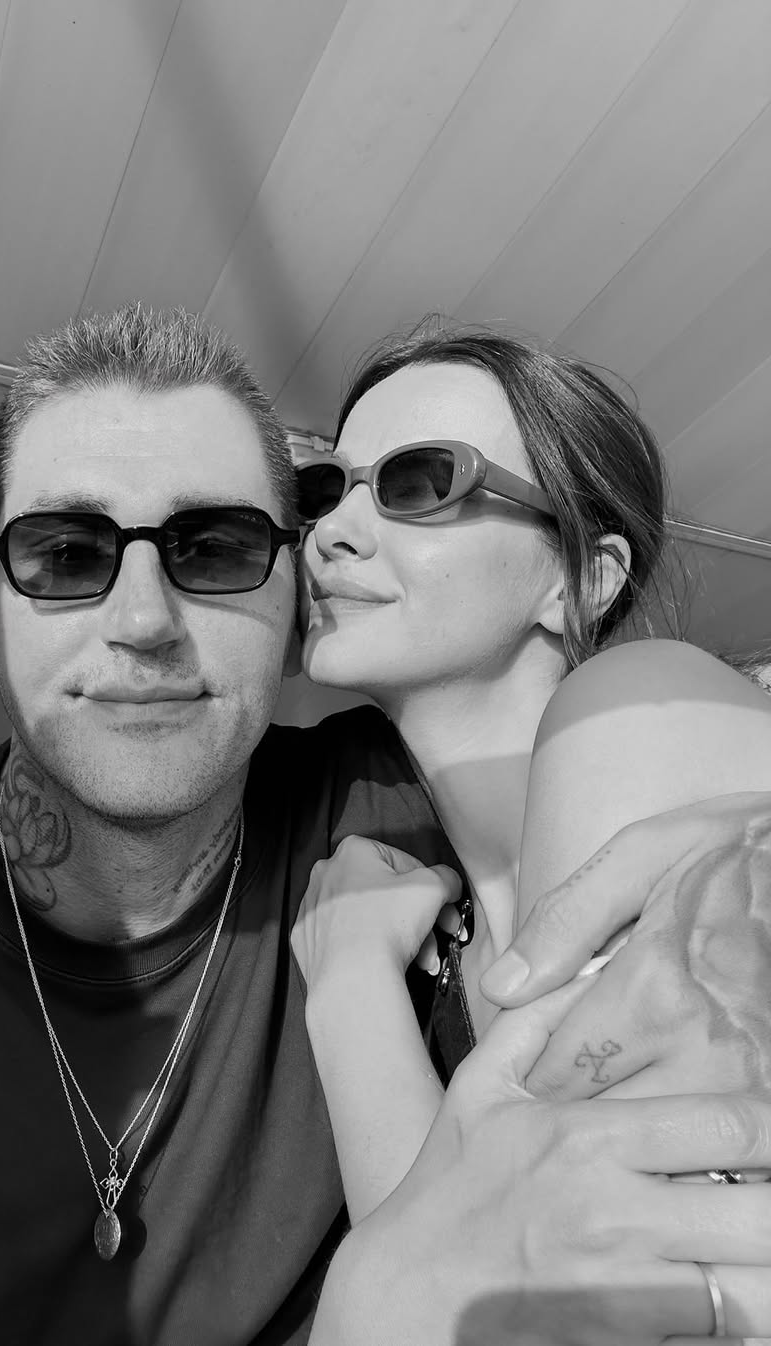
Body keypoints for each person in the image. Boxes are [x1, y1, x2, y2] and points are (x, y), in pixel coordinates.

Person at [0, 306, 770, 1345]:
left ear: (585, 577)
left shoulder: (641, 743)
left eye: (215, 546)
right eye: (67, 554)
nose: (144, 618)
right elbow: (461, 1245)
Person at [290, 321, 771, 1340]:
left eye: (421, 482)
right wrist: (354, 984)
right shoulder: (444, 954)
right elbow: (470, 1273)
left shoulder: (641, 704)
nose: (331, 531)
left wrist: (347, 988)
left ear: (582, 578)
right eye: (325, 489)